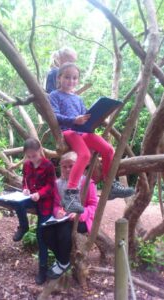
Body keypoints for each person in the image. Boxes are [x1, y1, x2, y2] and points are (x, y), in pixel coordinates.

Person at [49, 62, 134, 213]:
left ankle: (111, 185)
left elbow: (85, 116)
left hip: (83, 131)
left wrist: (95, 117)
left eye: (75, 78)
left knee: (108, 149)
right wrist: (73, 120)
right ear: (59, 78)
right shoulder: (54, 95)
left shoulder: (78, 99)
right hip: (68, 130)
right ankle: (70, 194)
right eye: (67, 77)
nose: (71, 81)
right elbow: (54, 116)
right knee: (85, 154)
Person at [42, 151, 98, 279]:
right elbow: (56, 204)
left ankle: (62, 263)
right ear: (60, 167)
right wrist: (58, 212)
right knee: (46, 231)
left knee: (63, 231)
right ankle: (63, 261)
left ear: (78, 165)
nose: (67, 169)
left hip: (82, 220)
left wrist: (79, 214)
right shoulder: (58, 184)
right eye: (64, 166)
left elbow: (94, 206)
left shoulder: (87, 182)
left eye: (71, 166)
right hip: (64, 219)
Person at [12, 138, 57, 285]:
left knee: (41, 236)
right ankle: (23, 226)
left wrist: (40, 194)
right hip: (32, 197)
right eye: (29, 156)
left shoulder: (48, 165)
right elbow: (25, 180)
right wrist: (25, 189)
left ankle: (42, 269)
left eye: (34, 155)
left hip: (45, 202)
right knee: (17, 203)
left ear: (40, 151)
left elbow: (51, 187)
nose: (31, 159)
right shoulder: (26, 165)